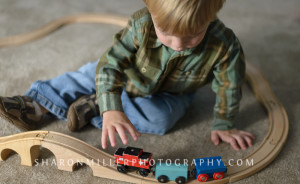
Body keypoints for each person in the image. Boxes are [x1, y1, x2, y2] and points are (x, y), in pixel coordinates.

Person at [0, 0, 255, 151]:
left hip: (171, 95)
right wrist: (114, 102)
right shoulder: (141, 24)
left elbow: (229, 87)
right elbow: (111, 65)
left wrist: (225, 123)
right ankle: (36, 104)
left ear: (212, 16)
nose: (178, 45)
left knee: (162, 119)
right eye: (166, 31)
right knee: (88, 74)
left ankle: (97, 106)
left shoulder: (225, 45)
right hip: (127, 75)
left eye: (192, 35)